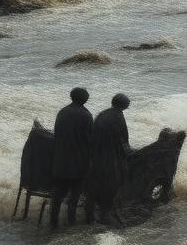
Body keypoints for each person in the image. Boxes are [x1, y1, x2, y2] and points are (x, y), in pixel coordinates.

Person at [85, 93, 132, 226]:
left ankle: (90, 215)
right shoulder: (117, 117)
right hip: (109, 156)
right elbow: (122, 140)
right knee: (111, 185)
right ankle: (105, 214)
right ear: (124, 105)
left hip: (96, 155)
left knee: (94, 187)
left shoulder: (103, 114)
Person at [50, 87, 93, 229]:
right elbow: (90, 140)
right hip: (78, 162)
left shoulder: (62, 112)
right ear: (84, 99)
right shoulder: (86, 115)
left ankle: (53, 222)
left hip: (60, 160)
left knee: (57, 194)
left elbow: (56, 135)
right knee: (74, 196)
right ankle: (70, 223)